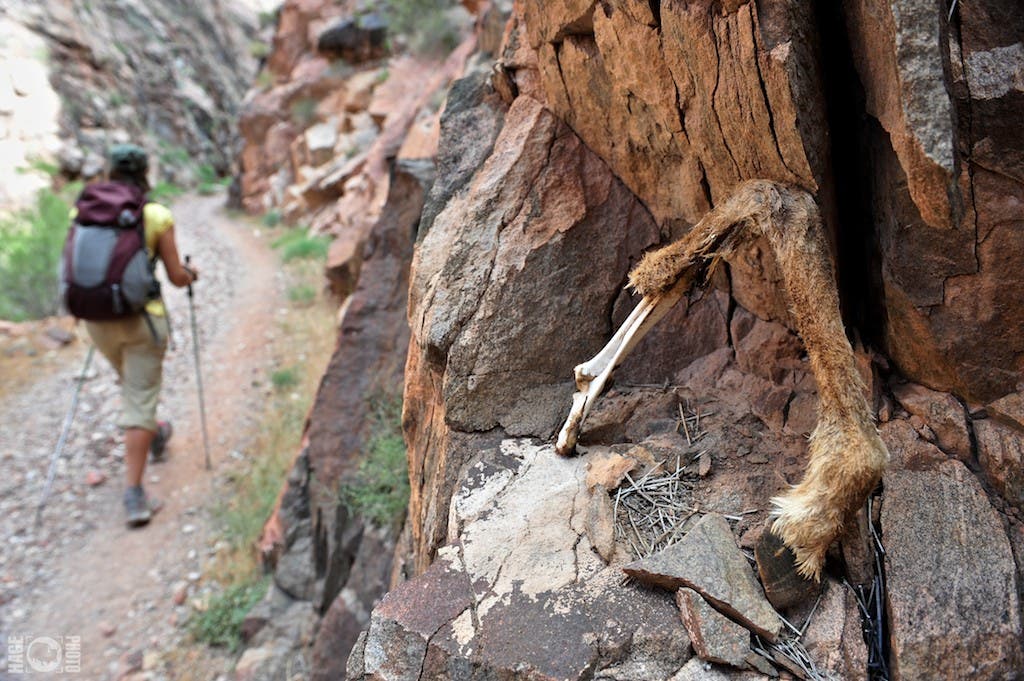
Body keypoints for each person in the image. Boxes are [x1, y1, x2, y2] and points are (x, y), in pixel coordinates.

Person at [82, 144, 199, 527]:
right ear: (145, 173)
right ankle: (134, 492)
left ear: (109, 171)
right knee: (139, 398)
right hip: (141, 321)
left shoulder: (84, 210)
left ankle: (156, 431)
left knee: (134, 388)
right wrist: (190, 274)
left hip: (97, 320)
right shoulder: (155, 215)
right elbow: (175, 277)